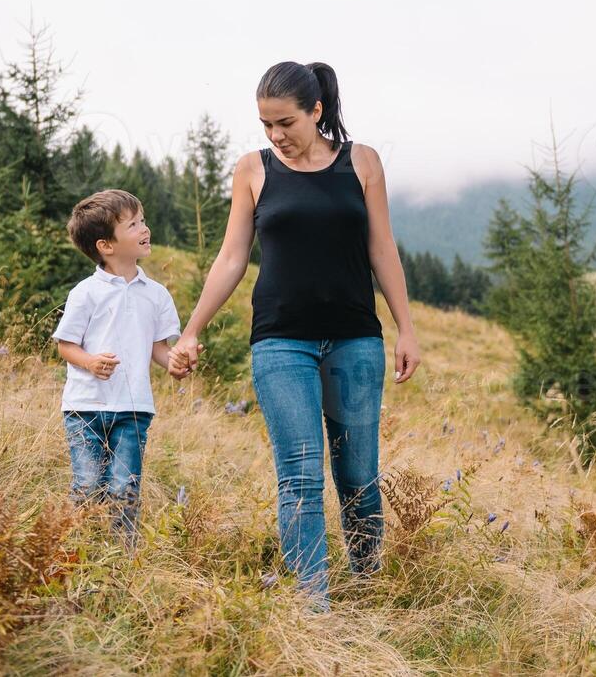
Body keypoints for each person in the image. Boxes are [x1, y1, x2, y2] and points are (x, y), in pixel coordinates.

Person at [173, 61, 421, 611]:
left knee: (357, 475)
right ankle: (314, 609)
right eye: (265, 125)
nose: (276, 135)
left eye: (285, 122)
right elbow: (233, 257)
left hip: (355, 339)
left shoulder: (362, 162)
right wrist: (191, 330)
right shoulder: (252, 170)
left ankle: (366, 583)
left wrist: (406, 328)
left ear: (316, 111)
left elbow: (382, 249)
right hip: (281, 342)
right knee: (301, 476)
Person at [53, 188, 190, 548]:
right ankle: (81, 550)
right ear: (106, 245)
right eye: (133, 225)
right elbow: (66, 345)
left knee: (124, 486)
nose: (144, 229)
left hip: (133, 408)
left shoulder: (157, 294)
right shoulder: (86, 292)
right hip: (85, 407)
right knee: (87, 485)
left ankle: (120, 557)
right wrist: (91, 362)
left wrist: (174, 363)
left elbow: (159, 350)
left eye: (142, 221)